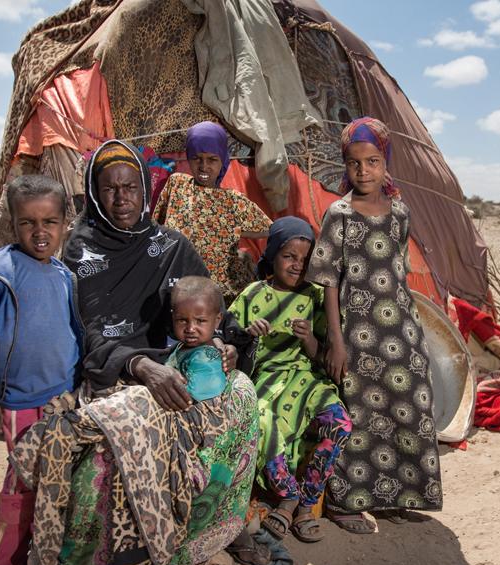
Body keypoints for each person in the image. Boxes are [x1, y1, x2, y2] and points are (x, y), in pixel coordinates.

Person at [24, 140, 267, 565]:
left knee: (242, 396)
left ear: (145, 186)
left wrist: (220, 345)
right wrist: (138, 366)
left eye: (130, 186)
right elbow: (83, 333)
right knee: (114, 444)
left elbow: (205, 309)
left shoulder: (171, 246)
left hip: (176, 365)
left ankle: (217, 526)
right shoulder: (78, 251)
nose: (121, 198)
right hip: (114, 373)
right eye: (108, 189)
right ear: (93, 193)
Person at [305, 117, 443, 534]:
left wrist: (412, 331)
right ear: (344, 166)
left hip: (401, 329)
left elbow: (397, 269)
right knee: (362, 413)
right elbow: (329, 280)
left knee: (411, 404)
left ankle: (400, 496)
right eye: (354, 163)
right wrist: (336, 341)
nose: (363, 171)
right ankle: (346, 502)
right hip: (357, 331)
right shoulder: (339, 214)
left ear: (386, 164)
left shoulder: (400, 212)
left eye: (372, 161)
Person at [0, 174, 83, 565]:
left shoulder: (64, 274)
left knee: (56, 492)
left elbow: (72, 334)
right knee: (20, 494)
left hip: (62, 402)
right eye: (28, 222)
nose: (40, 231)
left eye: (50, 221)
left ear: (65, 223)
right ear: (13, 224)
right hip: (19, 404)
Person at [229, 217, 352, 543]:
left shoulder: (315, 297)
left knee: (339, 423)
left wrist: (310, 339)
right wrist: (248, 336)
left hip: (308, 379)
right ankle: (289, 495)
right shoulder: (254, 294)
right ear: (271, 254)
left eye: (305, 259)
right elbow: (229, 342)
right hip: (268, 379)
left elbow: (324, 356)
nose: (298, 265)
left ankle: (309, 499)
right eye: (289, 256)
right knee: (263, 421)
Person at [153, 121, 272, 300]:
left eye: (212, 159)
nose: (203, 166)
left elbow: (272, 229)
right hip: (178, 288)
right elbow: (156, 228)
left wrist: (240, 250)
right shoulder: (177, 185)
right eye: (196, 158)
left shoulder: (233, 201)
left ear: (223, 159)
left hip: (218, 295)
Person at [166, 276, 228, 402]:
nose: (190, 328)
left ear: (217, 320)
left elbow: (195, 395)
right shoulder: (183, 347)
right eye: (182, 320)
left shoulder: (205, 357)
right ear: (173, 317)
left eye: (200, 321)